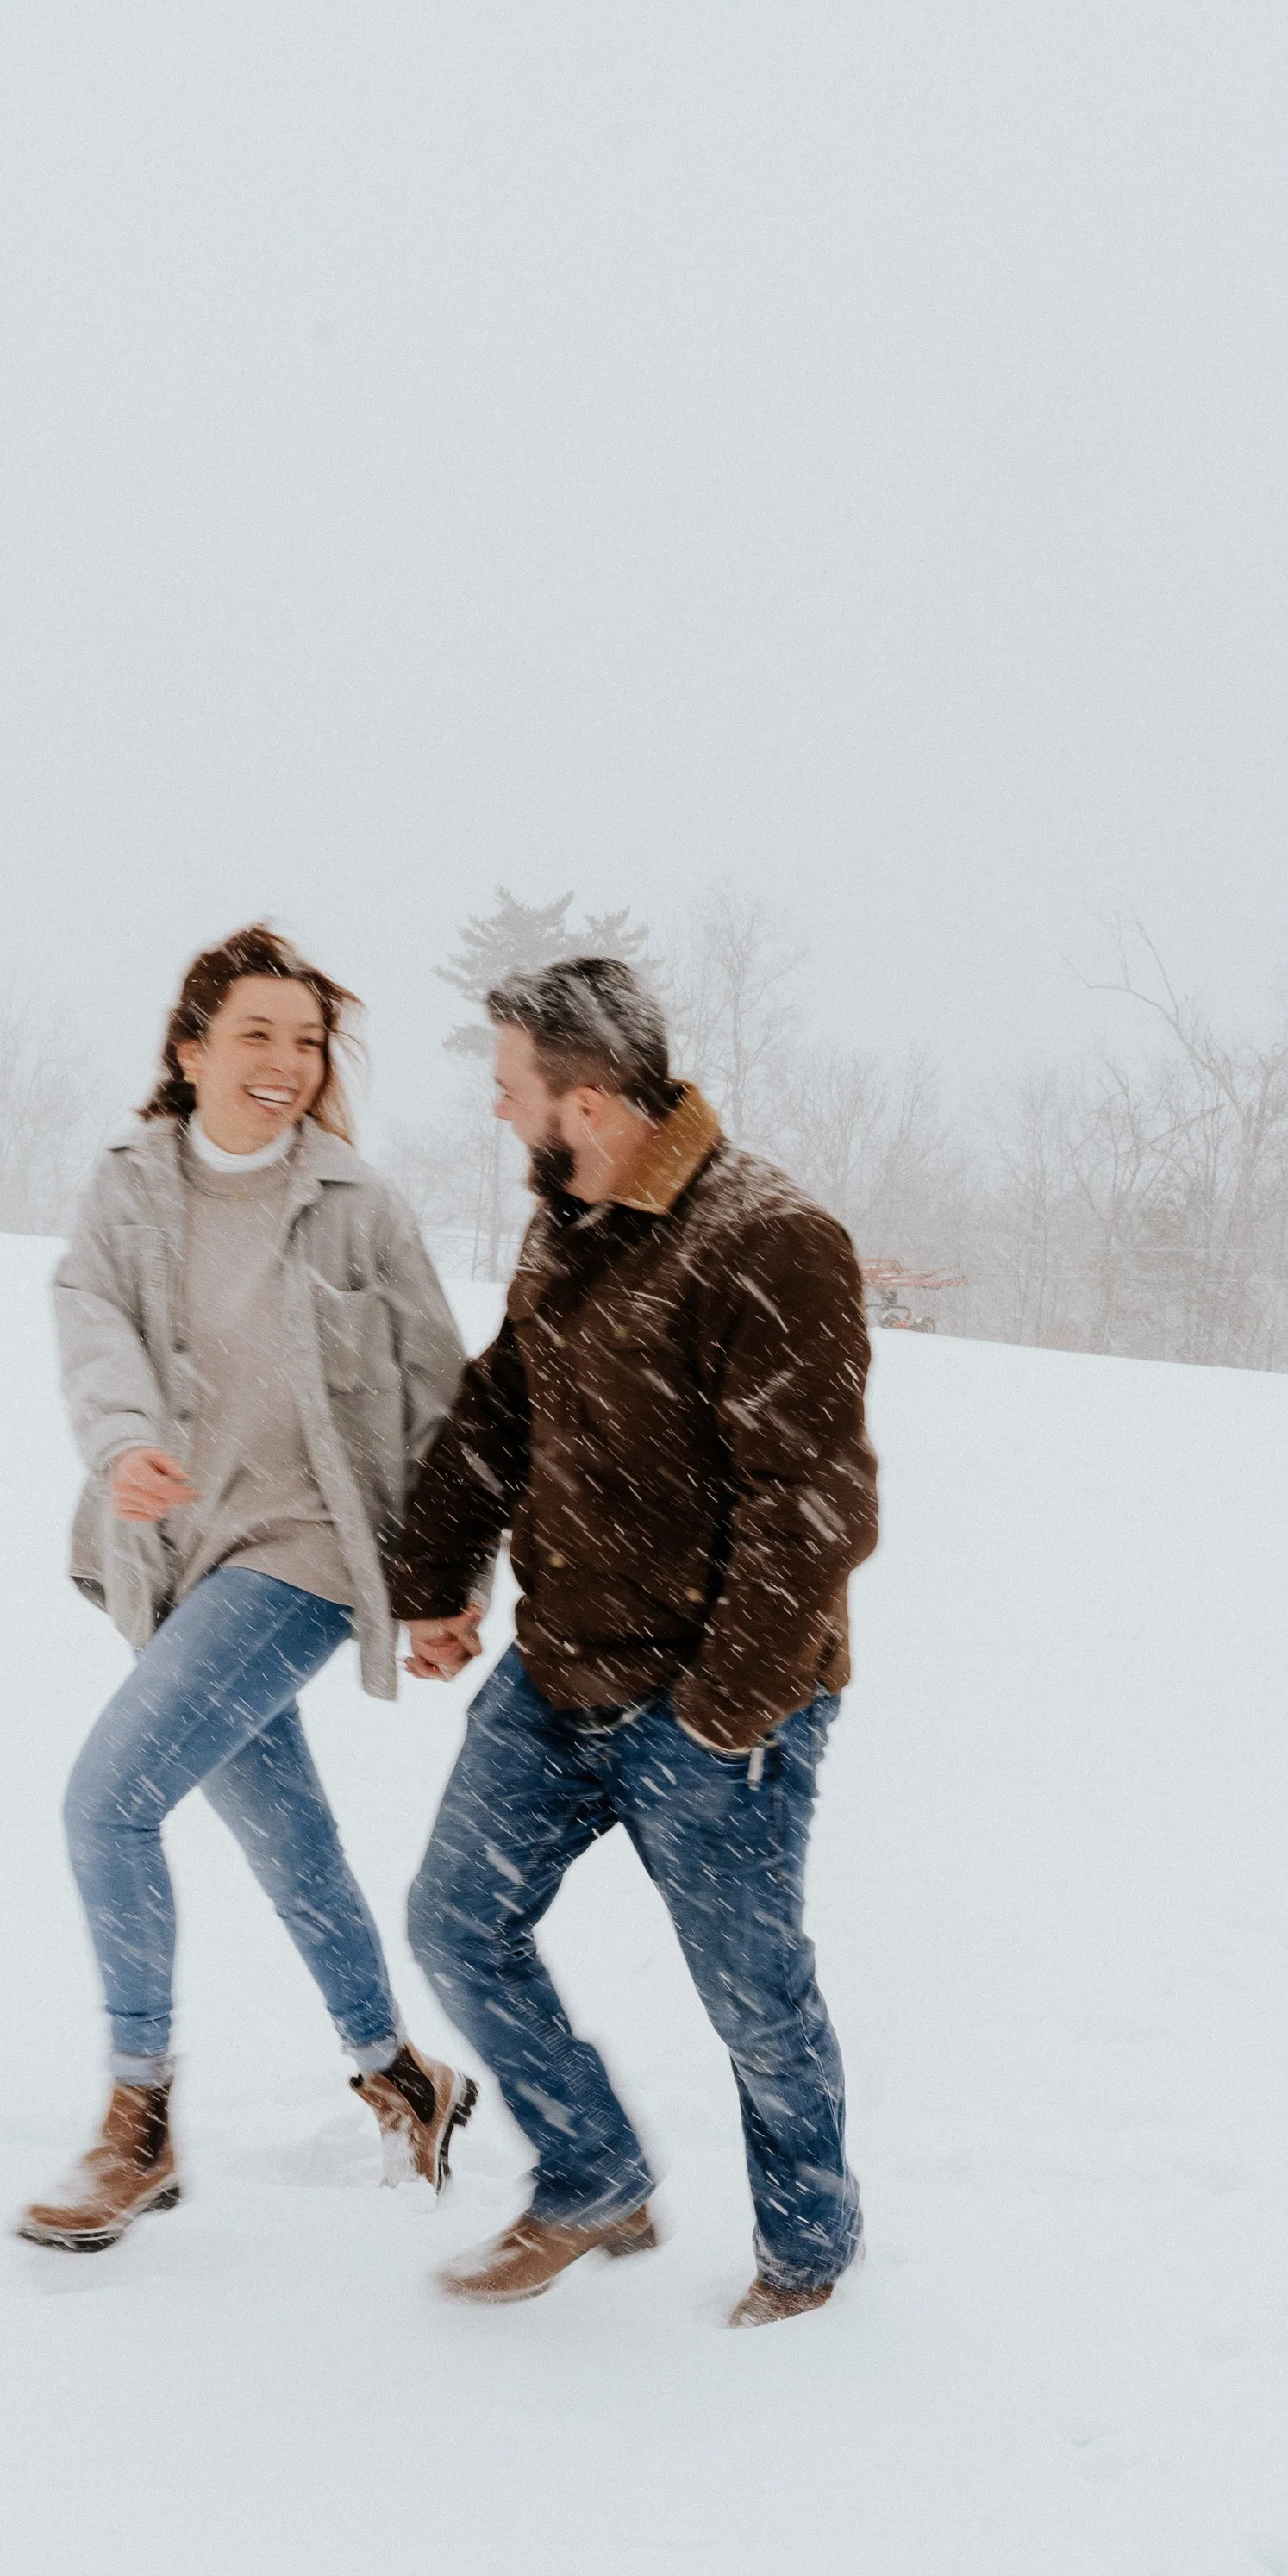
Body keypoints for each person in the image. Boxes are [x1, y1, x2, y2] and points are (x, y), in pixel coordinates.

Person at [391, 955, 878, 2324]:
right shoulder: (572, 1220)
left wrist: (723, 1715)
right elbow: (501, 1412)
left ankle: (807, 2249)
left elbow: (815, 1507)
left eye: (510, 1090)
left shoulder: (769, 1238)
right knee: (455, 1922)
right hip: (563, 1675)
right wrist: (435, 1575)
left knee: (754, 1996)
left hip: (719, 1703)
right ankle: (593, 2170)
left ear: (589, 1100)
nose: (499, 1113)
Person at [19, 924, 478, 2251]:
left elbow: (447, 1399)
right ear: (191, 1049)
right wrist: (120, 1445)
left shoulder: (356, 1205)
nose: (286, 1063)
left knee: (108, 1804)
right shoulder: (129, 1186)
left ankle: (140, 2119)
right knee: (293, 1844)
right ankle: (404, 2074)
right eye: (256, 1035)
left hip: (309, 1557)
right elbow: (89, 1316)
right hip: (174, 1564)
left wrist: (445, 1585)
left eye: (308, 1040)